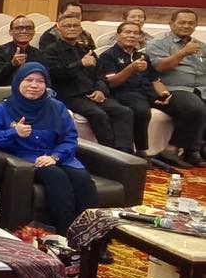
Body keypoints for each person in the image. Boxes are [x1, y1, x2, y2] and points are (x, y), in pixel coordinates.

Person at [0, 63, 99, 234]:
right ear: (18, 82)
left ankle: (93, 236)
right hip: (26, 158)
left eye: (40, 81)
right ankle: (67, 235)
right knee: (56, 177)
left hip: (59, 157)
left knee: (83, 180)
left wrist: (55, 156)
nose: (34, 85)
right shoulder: (2, 109)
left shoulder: (57, 108)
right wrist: (14, 132)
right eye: (29, 80)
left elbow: (70, 138)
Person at [101, 21, 205, 167]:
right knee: (141, 110)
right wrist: (131, 68)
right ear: (117, 35)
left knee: (185, 106)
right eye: (127, 32)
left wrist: (163, 94)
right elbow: (111, 83)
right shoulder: (108, 55)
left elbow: (155, 80)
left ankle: (178, 151)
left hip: (147, 92)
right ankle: (141, 151)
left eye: (136, 33)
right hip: (124, 92)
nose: (132, 36)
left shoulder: (142, 56)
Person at [42, 13, 134, 154]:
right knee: (98, 114)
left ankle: (125, 152)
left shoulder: (85, 50)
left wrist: (100, 90)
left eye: (75, 26)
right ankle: (110, 154)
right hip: (69, 95)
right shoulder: (50, 51)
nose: (72, 28)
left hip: (92, 93)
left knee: (124, 111)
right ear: (58, 29)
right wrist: (81, 64)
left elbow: (100, 75)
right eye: (67, 26)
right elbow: (55, 75)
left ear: (81, 29)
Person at [146, 9, 206, 162]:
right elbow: (159, 67)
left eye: (190, 23)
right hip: (171, 89)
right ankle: (172, 150)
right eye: (182, 22)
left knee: (198, 102)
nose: (186, 26)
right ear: (171, 24)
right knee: (194, 107)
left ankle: (196, 150)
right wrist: (183, 53)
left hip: (200, 88)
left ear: (196, 26)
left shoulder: (200, 46)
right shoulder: (158, 43)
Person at [0, 16, 44, 86]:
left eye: (29, 28)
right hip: (6, 91)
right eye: (19, 28)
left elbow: (45, 78)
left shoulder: (39, 54)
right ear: (10, 32)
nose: (24, 31)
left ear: (34, 32)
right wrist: (12, 64)